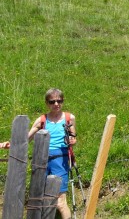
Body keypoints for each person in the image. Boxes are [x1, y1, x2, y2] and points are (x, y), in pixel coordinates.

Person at [28, 88, 76, 219]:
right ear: (46, 103)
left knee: (60, 202)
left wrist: (72, 140)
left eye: (59, 101)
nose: (56, 104)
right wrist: (8, 144)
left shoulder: (68, 118)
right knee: (40, 198)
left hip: (60, 161)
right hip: (41, 161)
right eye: (52, 101)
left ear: (63, 101)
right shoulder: (42, 120)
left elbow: (73, 138)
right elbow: (25, 140)